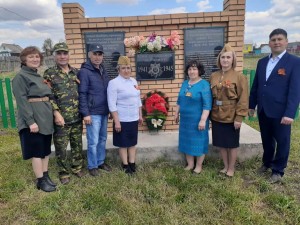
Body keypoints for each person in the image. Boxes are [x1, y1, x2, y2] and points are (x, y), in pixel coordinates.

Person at [249, 28, 300, 183]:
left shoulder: (294, 62)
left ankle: (278, 170)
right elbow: (256, 85)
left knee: (283, 140)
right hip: (264, 109)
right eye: (273, 40)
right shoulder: (262, 62)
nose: (276, 42)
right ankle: (267, 162)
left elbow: (295, 90)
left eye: (279, 39)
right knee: (266, 139)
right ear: (269, 43)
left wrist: (290, 113)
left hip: (281, 111)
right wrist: (252, 105)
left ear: (286, 41)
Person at [12, 46, 56, 192]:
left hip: (45, 118)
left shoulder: (38, 76)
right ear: (24, 60)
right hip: (34, 120)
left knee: (45, 150)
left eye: (37, 56)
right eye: (31, 57)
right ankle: (40, 181)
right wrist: (30, 121)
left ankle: (46, 175)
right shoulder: (21, 77)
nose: (35, 59)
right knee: (37, 151)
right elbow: (22, 101)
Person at [43, 42, 84, 185]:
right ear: (55, 56)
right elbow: (49, 96)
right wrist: (56, 113)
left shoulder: (76, 72)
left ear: (68, 55)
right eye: (59, 53)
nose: (62, 56)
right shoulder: (49, 73)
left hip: (77, 117)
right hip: (61, 119)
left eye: (64, 53)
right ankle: (63, 172)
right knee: (61, 147)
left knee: (77, 145)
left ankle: (77, 167)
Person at [210, 44, 248, 177]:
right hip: (216, 114)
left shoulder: (239, 77)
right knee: (221, 143)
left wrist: (239, 117)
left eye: (228, 57)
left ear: (233, 60)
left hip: (231, 115)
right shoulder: (214, 76)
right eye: (223, 57)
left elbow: (243, 99)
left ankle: (231, 168)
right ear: (219, 59)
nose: (225, 60)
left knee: (231, 144)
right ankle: (225, 166)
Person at [78, 44, 111, 177]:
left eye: (100, 54)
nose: (97, 57)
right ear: (89, 55)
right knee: (93, 141)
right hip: (92, 113)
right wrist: (86, 114)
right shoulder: (85, 72)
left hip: (104, 111)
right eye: (95, 54)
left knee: (103, 138)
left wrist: (110, 110)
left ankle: (100, 161)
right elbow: (82, 93)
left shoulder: (103, 70)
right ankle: (92, 165)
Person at [175, 60, 212, 174]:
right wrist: (176, 113)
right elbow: (179, 100)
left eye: (194, 69)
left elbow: (207, 104)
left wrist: (203, 120)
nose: (192, 71)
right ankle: (190, 164)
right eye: (190, 69)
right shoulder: (185, 83)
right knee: (187, 141)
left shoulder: (204, 84)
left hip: (198, 120)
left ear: (199, 71)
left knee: (199, 142)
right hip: (185, 120)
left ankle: (198, 166)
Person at [107, 56, 143, 174]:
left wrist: (140, 115)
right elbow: (112, 104)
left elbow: (138, 99)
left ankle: (132, 162)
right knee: (123, 143)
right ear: (118, 69)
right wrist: (117, 121)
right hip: (121, 119)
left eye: (128, 68)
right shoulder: (114, 83)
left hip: (133, 117)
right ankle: (125, 164)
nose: (126, 70)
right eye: (123, 68)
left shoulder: (133, 81)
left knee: (132, 142)